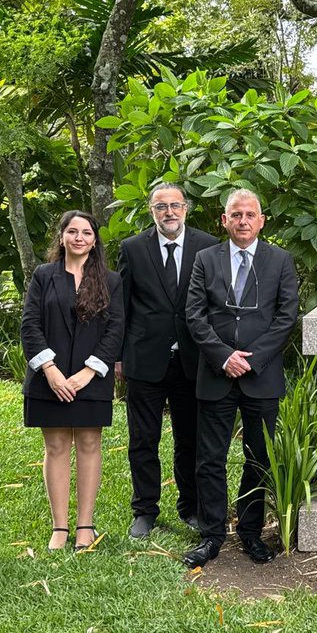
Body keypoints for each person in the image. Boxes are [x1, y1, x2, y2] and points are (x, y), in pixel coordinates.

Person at [183, 189, 299, 568]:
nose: (243, 221)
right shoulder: (205, 259)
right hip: (216, 374)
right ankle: (213, 534)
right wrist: (223, 357)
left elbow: (286, 316)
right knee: (210, 458)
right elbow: (195, 315)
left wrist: (253, 359)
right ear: (224, 220)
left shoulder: (280, 260)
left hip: (260, 376)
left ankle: (250, 532)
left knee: (258, 456)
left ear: (262, 220)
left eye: (250, 214)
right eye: (236, 215)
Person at [117, 184, 217, 540]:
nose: (169, 212)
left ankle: (190, 507)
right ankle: (145, 510)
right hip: (145, 359)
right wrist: (118, 357)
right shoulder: (132, 249)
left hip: (194, 360)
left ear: (186, 209)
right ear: (151, 211)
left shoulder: (207, 247)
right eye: (161, 207)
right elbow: (122, 306)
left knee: (190, 439)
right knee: (143, 439)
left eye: (175, 205)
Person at [20, 211, 123, 551]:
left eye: (87, 233)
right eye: (73, 231)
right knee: (56, 446)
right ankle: (59, 527)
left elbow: (114, 330)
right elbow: (30, 325)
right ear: (61, 236)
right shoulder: (43, 276)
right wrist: (49, 371)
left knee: (90, 444)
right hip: (49, 378)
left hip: (91, 378)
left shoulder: (110, 280)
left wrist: (87, 373)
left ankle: (85, 526)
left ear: (95, 241)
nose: (80, 237)